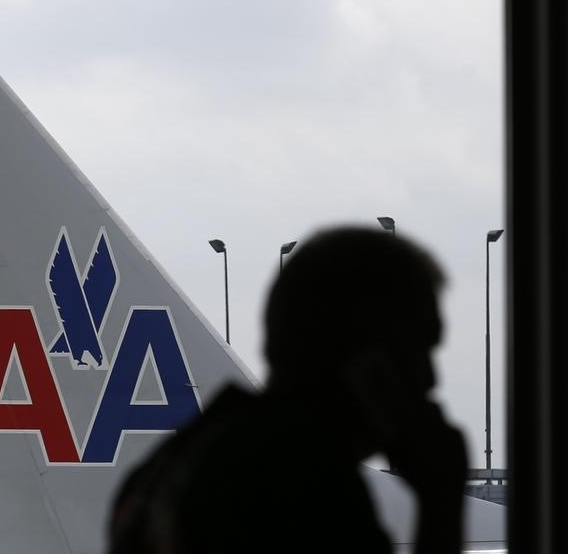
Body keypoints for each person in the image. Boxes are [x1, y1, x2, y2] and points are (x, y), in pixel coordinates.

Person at [107, 226, 467, 554]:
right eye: (417, 352)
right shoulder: (306, 490)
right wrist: (440, 506)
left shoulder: (166, 472)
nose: (430, 379)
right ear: (369, 365)